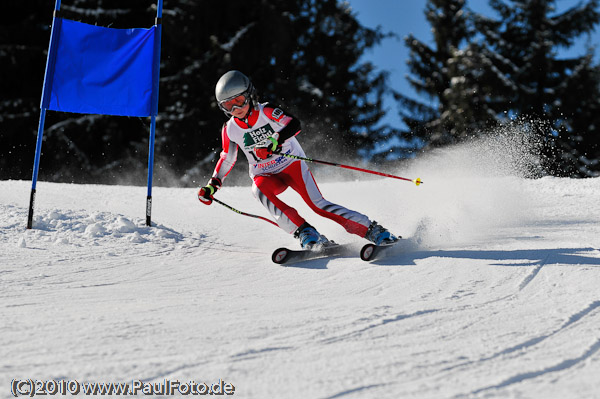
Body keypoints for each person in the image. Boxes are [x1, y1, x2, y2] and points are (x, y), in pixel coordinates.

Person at [198, 70, 398, 249]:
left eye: (239, 100)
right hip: (265, 174)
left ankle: (372, 230)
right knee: (258, 190)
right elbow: (227, 158)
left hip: (291, 165)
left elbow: (294, 124)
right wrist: (213, 185)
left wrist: (275, 140)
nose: (236, 108)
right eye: (229, 105)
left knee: (318, 205)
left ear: (249, 94)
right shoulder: (230, 129)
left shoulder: (266, 111)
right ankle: (305, 232)